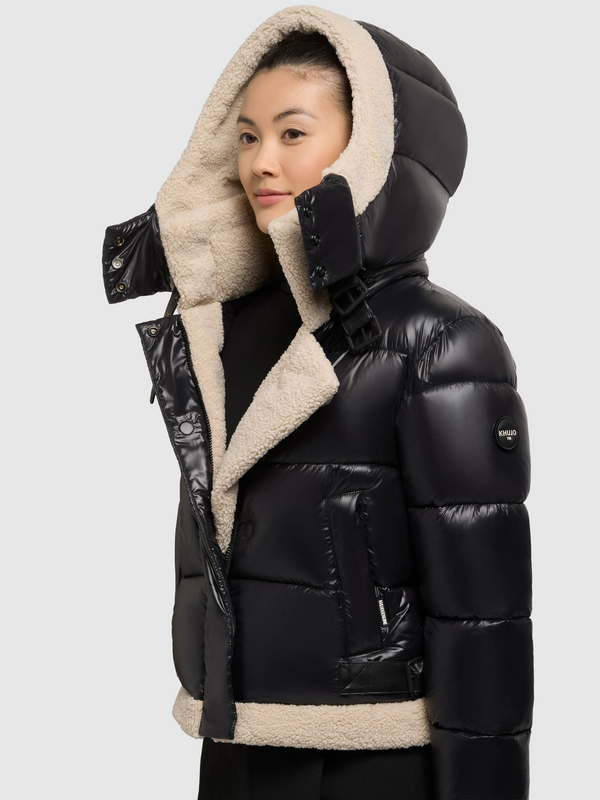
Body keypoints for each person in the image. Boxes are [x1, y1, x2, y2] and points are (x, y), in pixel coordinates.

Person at [101, 6, 534, 800]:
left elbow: (484, 623)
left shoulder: (442, 345)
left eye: (293, 133)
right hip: (233, 741)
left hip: (373, 758)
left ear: (369, 150)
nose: (261, 161)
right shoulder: (215, 328)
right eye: (245, 136)